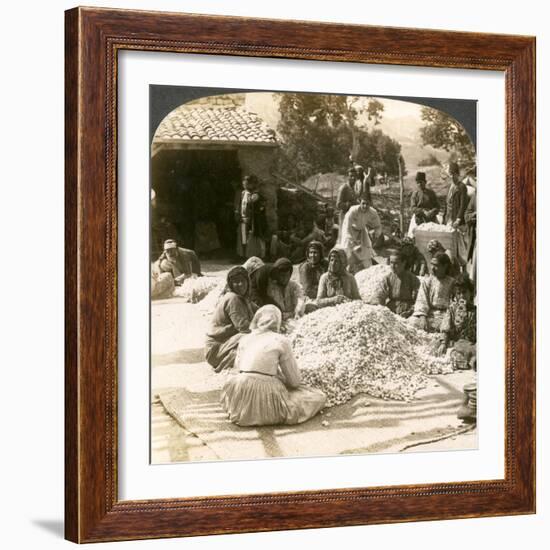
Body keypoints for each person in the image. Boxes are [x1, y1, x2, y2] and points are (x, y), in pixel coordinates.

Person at [221, 305, 326, 426]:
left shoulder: (245, 339)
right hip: (265, 394)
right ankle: (266, 413)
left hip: (239, 394)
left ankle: (245, 411)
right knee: (317, 397)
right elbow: (295, 381)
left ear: (257, 320)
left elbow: (237, 370)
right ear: (278, 321)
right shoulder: (281, 340)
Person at [205, 266, 258, 372]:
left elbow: (260, 311)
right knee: (252, 337)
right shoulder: (233, 298)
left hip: (226, 344)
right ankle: (223, 365)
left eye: (243, 281)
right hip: (216, 350)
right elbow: (243, 327)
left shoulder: (244, 299)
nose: (240, 285)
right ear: (230, 284)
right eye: (236, 282)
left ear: (248, 282)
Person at [437, 273, 477, 369]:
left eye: (464, 292)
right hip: (457, 342)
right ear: (455, 295)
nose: (462, 296)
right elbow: (446, 326)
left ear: (471, 293)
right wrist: (443, 343)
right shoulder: (452, 309)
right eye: (459, 293)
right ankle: (473, 361)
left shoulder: (475, 310)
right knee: (458, 351)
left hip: (472, 342)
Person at [409, 252, 455, 332]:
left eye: (436, 265)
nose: (432, 268)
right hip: (429, 313)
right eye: (432, 264)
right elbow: (421, 300)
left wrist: (448, 317)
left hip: (445, 315)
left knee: (446, 328)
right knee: (412, 323)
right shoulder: (427, 281)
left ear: (445, 266)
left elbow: (454, 304)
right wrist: (422, 318)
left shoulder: (452, 283)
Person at [370, 250, 420, 317]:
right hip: (391, 309)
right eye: (391, 263)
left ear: (404, 263)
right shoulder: (387, 278)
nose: (393, 266)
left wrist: (411, 311)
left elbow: (419, 300)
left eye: (396, 263)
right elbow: (379, 295)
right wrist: (380, 309)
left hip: (408, 310)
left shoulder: (413, 279)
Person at [339, 197, 380, 273]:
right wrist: (354, 244)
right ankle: (345, 271)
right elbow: (347, 228)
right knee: (347, 251)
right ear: (360, 202)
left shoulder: (373, 212)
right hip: (349, 230)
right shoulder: (353, 210)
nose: (365, 206)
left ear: (370, 204)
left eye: (367, 204)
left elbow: (378, 226)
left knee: (366, 250)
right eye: (363, 203)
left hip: (361, 231)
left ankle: (368, 269)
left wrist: (376, 235)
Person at [235, 174, 267, 259]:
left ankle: (253, 256)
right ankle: (243, 256)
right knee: (243, 239)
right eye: (244, 184)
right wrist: (238, 215)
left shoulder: (255, 195)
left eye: (247, 184)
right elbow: (240, 205)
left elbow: (256, 205)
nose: (245, 186)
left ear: (251, 184)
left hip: (252, 221)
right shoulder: (243, 193)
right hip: (243, 219)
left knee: (252, 239)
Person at [443, 162, 468, 227]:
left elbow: (463, 205)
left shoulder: (462, 187)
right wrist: (444, 218)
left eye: (453, 174)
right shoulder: (450, 186)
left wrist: (458, 219)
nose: (451, 177)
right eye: (450, 174)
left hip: (456, 219)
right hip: (448, 218)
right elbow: (447, 203)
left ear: (457, 174)